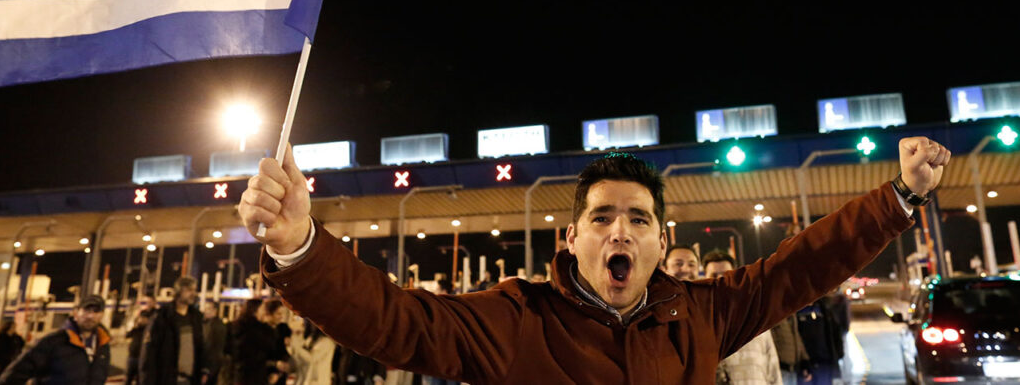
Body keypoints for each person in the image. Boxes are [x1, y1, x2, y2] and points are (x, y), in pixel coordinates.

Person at [238, 137, 949, 383]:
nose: (621, 232)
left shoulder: (701, 316)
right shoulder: (516, 320)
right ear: (569, 240)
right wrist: (297, 244)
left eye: (639, 219)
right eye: (601, 217)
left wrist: (899, 195)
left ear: (661, 244)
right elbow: (396, 321)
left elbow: (801, 267)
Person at [703, 249, 783, 385]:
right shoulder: (701, 320)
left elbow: (772, 365)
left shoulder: (754, 315)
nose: (719, 280)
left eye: (726, 275)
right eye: (714, 275)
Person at [0, 294, 111, 385]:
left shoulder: (103, 346)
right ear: (76, 313)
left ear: (102, 315)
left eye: (96, 311)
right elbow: (14, 374)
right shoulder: (54, 342)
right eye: (87, 310)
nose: (91, 316)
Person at [140, 276, 207, 385]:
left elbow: (200, 348)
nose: (193, 293)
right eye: (189, 290)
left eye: (194, 290)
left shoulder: (196, 318)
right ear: (178, 291)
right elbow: (148, 353)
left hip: (190, 379)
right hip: (167, 379)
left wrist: (204, 369)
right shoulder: (162, 317)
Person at [231, 299, 278, 385]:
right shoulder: (254, 328)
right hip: (251, 372)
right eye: (263, 308)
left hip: (247, 371)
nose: (265, 311)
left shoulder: (239, 325)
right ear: (255, 309)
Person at [770, 312, 810, 385]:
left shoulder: (792, 315)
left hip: (793, 369)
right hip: (780, 369)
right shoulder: (774, 315)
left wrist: (805, 362)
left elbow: (797, 339)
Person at [293, 319, 336, 385]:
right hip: (305, 380)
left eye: (314, 322)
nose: (312, 324)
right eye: (311, 322)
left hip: (319, 382)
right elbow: (298, 358)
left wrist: (297, 346)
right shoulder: (310, 339)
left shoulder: (327, 342)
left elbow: (311, 359)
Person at [202, 301, 230, 385]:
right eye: (205, 308)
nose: (205, 311)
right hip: (213, 366)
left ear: (215, 310)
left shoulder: (215, 326)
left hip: (211, 367)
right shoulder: (210, 324)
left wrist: (207, 370)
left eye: (208, 308)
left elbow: (213, 348)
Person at [126, 309, 153, 385]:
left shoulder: (148, 330)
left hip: (141, 359)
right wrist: (134, 325)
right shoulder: (136, 329)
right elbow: (127, 335)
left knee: (139, 380)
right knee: (128, 379)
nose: (142, 320)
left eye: (145, 318)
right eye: (141, 318)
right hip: (132, 357)